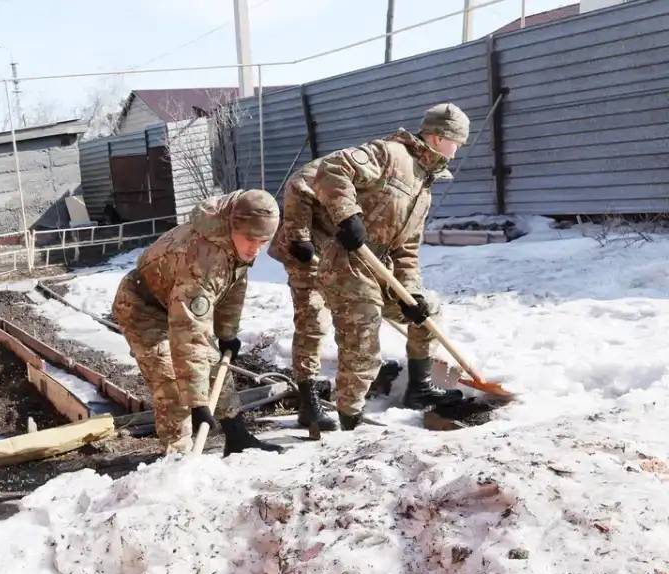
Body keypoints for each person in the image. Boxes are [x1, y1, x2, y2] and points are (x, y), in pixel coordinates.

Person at [313, 103, 469, 430]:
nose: (457, 151)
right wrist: (347, 215)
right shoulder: (389, 155)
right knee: (363, 348)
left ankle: (419, 390)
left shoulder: (423, 187)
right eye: (456, 142)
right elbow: (333, 168)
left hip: (380, 268)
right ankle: (349, 422)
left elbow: (408, 249)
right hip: (348, 263)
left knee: (429, 313)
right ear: (439, 137)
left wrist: (410, 293)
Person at [112, 190, 284, 456]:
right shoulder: (202, 259)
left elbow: (233, 286)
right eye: (251, 239)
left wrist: (227, 332)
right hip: (142, 306)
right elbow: (188, 332)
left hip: (177, 301)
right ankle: (178, 458)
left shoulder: (237, 242)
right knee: (170, 383)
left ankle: (237, 437)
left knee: (215, 363)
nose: (256, 248)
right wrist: (197, 403)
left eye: (263, 241)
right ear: (233, 225)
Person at [267, 157, 339, 433]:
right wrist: (299, 237)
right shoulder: (344, 168)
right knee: (313, 318)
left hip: (336, 247)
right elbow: (297, 183)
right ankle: (309, 403)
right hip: (303, 250)